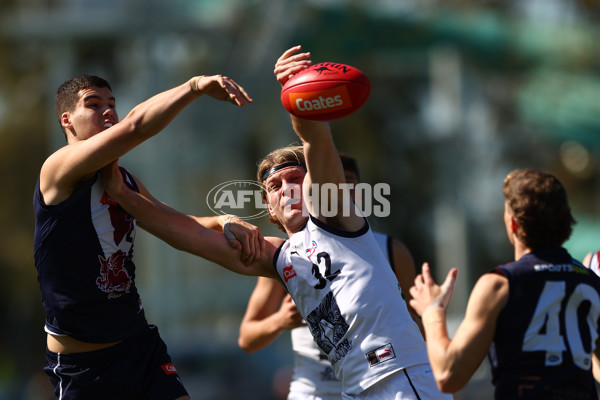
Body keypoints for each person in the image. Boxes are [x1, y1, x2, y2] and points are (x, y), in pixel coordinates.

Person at [101, 45, 452, 399]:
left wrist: (295, 88)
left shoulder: (334, 215)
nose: (287, 189)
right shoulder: (278, 257)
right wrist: (125, 196)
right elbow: (186, 234)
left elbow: (314, 137)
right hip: (355, 389)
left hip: (400, 379)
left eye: (295, 179)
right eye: (275, 185)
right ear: (268, 208)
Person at [33, 73, 260, 399]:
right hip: (82, 365)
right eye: (94, 105)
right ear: (67, 120)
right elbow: (136, 126)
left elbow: (177, 223)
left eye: (112, 104)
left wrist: (223, 220)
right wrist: (193, 86)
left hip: (139, 345)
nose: (108, 111)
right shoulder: (58, 169)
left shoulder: (124, 182)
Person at [237, 152, 422, 400]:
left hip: (377, 379)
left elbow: (417, 322)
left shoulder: (389, 250)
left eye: (349, 182)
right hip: (314, 391)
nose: (342, 188)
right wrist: (280, 320)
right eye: (337, 181)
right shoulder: (287, 257)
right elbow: (246, 338)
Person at [409, 168, 600, 399]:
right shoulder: (591, 282)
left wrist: (432, 312)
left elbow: (449, 374)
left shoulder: (499, 286)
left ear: (513, 224)